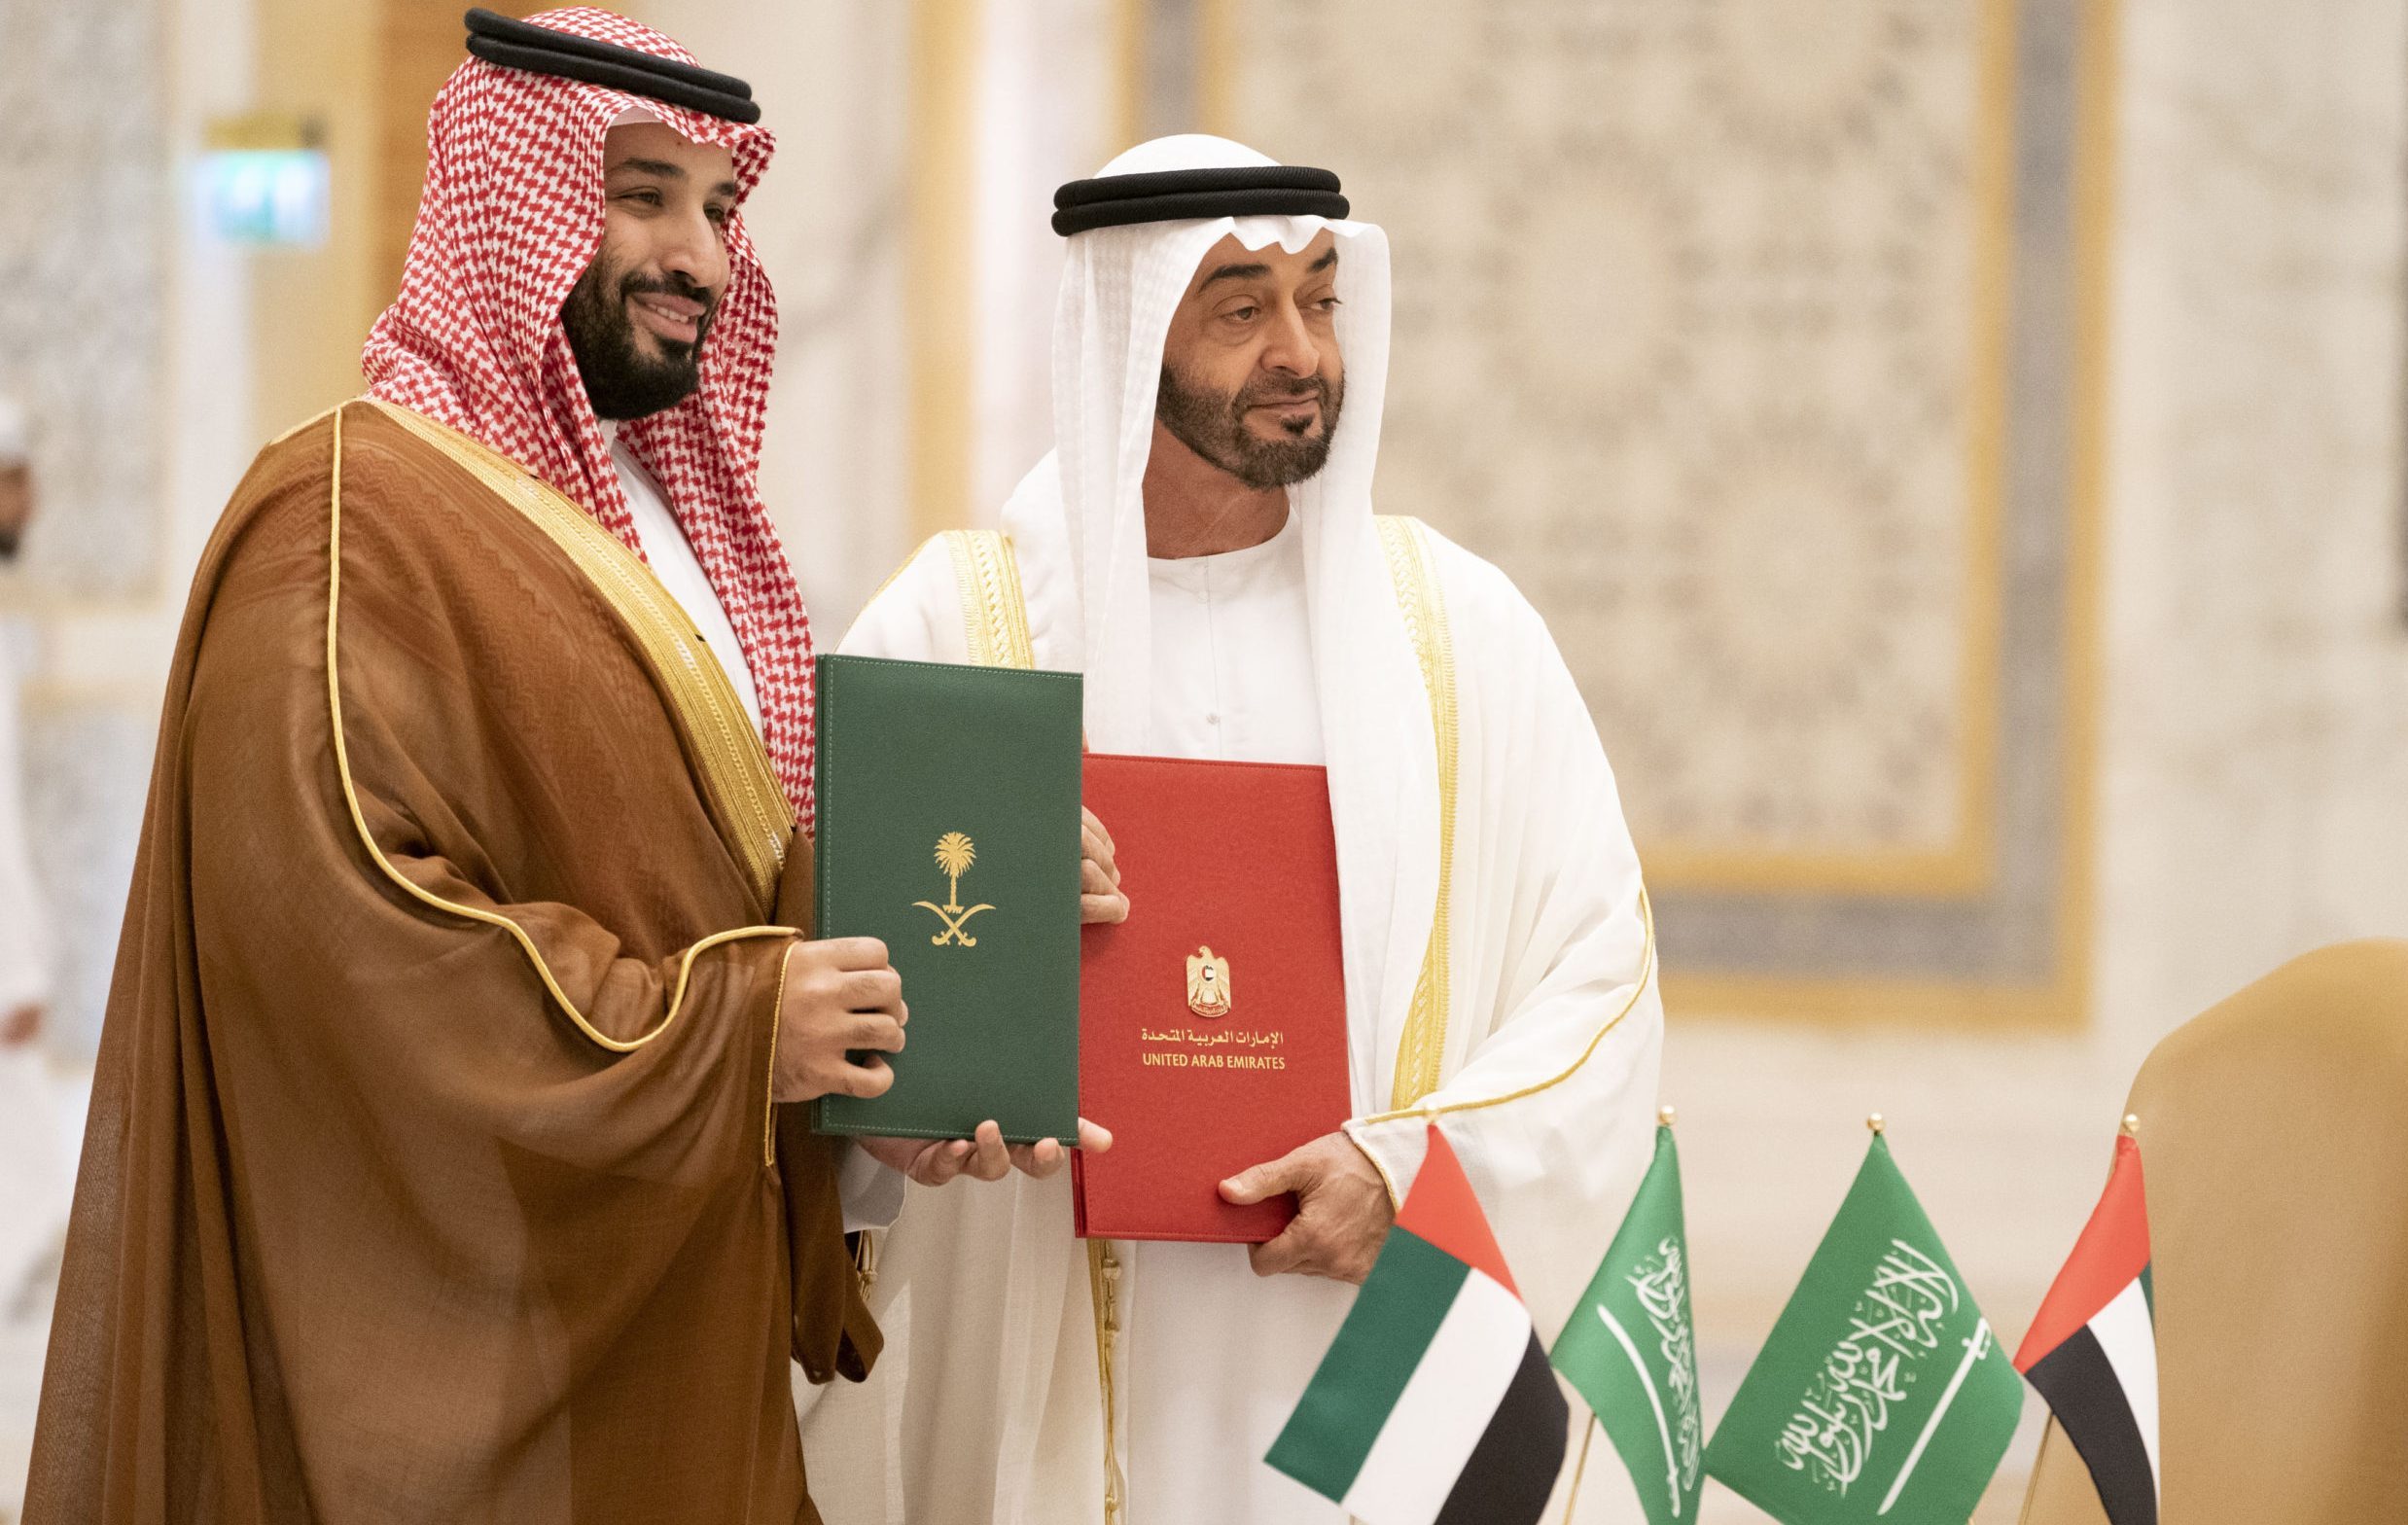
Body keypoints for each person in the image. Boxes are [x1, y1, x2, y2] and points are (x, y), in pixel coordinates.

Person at [26, 11, 1023, 1521]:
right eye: (640, 194)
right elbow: (344, 940)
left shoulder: (679, 531)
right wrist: (738, 1033)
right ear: (516, 198)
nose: (696, 252)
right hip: (466, 1380)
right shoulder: (348, 518)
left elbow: (732, 903)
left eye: (720, 208)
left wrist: (880, 1067)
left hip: (683, 1326)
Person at [810, 135, 1666, 1524]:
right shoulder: (959, 634)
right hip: (1047, 1385)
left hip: (1354, 1379)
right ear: (1128, 332)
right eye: (1239, 306)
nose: (1300, 349)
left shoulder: (1458, 638)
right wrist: (908, 1114)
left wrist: (1413, 1171)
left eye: (1321, 299)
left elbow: (1603, 978)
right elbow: (832, 1049)